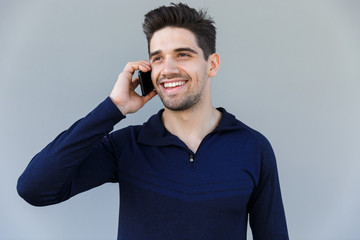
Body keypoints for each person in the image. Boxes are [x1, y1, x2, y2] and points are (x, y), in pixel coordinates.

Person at [17, 3, 289, 240]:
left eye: (183, 54)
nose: (168, 69)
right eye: (158, 58)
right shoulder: (126, 146)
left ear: (212, 64)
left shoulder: (253, 148)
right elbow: (35, 188)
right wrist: (113, 108)